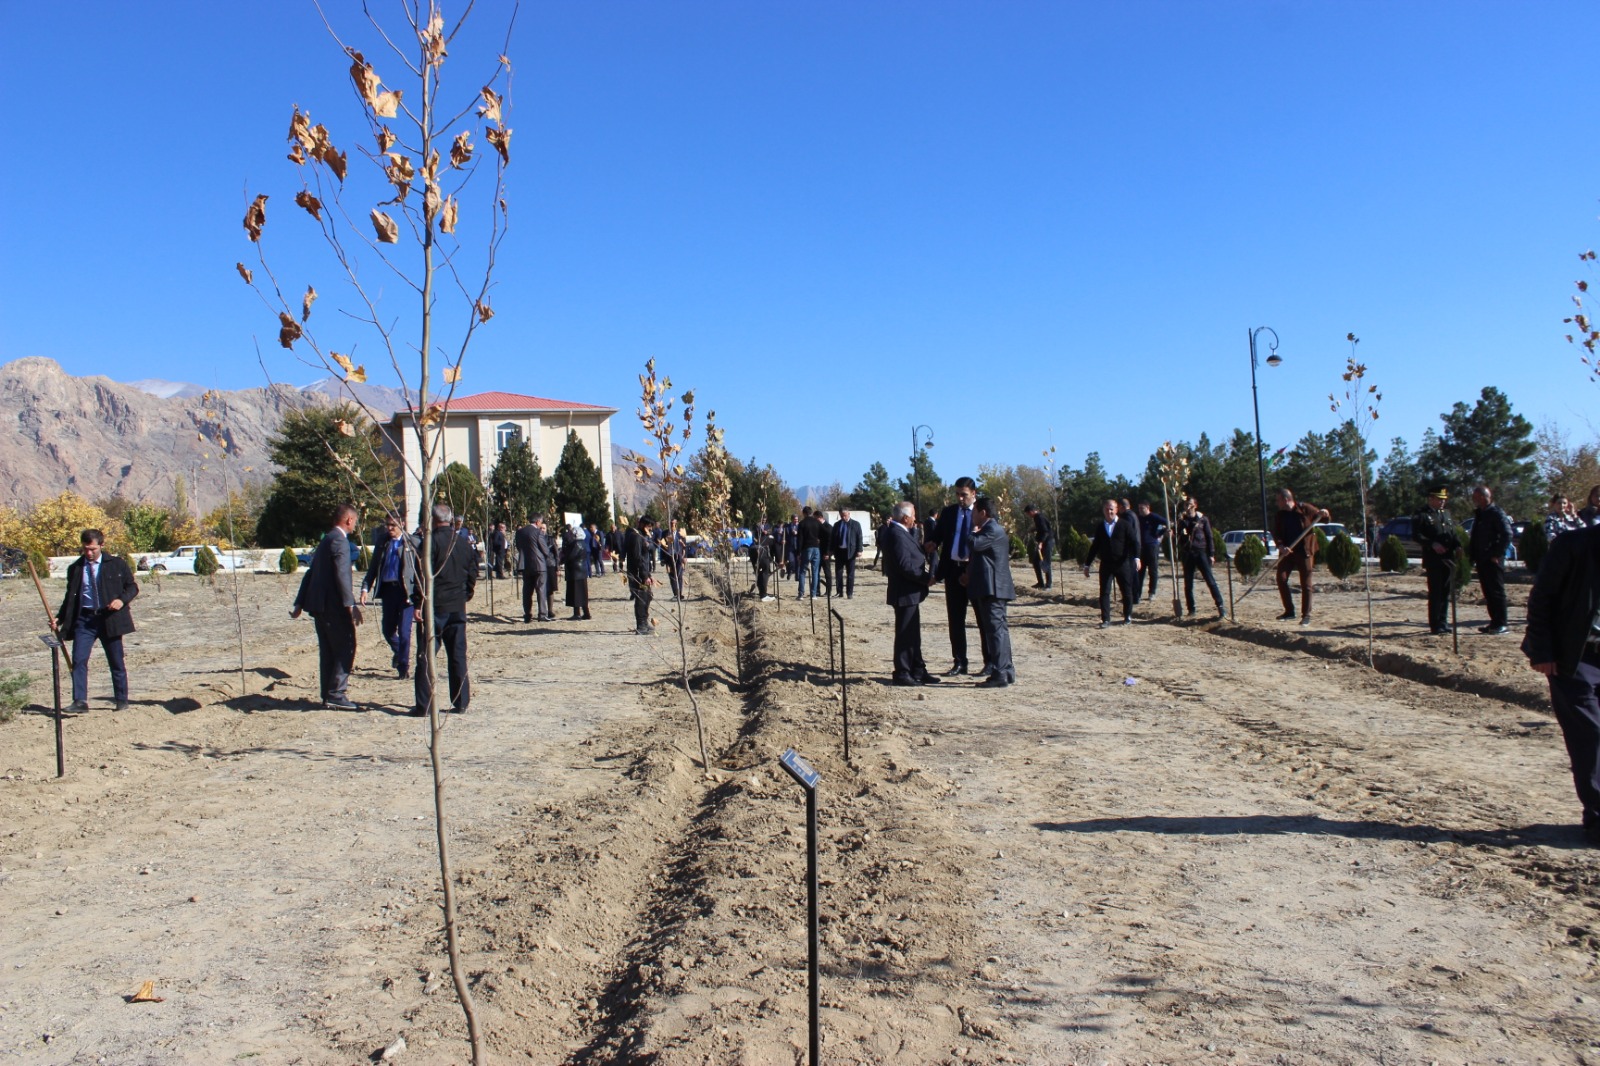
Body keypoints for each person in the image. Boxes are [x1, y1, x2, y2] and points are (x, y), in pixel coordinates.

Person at [1521, 520, 1600, 845]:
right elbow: (1542, 599)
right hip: (1576, 656)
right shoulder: (1573, 545)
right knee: (1590, 733)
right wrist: (1543, 650)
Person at [56, 528, 139, 711]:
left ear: (101, 545)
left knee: (116, 660)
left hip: (109, 619)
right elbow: (70, 598)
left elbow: (132, 587)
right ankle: (80, 701)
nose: (89, 553)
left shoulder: (117, 564)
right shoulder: (76, 569)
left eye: (92, 549)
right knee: (79, 659)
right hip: (85, 620)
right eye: (85, 549)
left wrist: (121, 601)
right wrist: (59, 618)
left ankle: (121, 699)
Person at [291, 503, 364, 710]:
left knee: (328, 651)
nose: (354, 526)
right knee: (345, 647)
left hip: (319, 607)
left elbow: (310, 573)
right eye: (355, 522)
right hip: (334, 607)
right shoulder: (339, 541)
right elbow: (342, 575)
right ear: (349, 520)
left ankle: (327, 694)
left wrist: (299, 602)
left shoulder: (326, 540)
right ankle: (336, 693)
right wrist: (350, 604)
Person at [415, 504, 477, 715]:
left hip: (436, 606)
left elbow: (421, 576)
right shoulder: (463, 542)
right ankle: (461, 701)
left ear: (432, 520)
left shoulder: (429, 544)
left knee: (426, 656)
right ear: (450, 520)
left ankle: (423, 704)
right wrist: (466, 593)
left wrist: (418, 602)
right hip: (457, 606)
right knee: (458, 654)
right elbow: (472, 571)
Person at [931, 476, 985, 675]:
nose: (960, 499)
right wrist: (931, 544)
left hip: (976, 573)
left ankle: (989, 662)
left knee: (982, 619)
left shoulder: (982, 514)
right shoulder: (949, 512)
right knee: (955, 620)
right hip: (953, 571)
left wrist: (971, 570)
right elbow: (938, 537)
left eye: (964, 495)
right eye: (957, 494)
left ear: (974, 494)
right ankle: (960, 661)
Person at [882, 501, 938, 686]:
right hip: (904, 591)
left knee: (913, 634)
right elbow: (904, 565)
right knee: (905, 634)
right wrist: (925, 578)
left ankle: (918, 669)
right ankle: (903, 672)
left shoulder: (902, 532)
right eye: (913, 515)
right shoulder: (896, 534)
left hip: (910, 592)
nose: (915, 518)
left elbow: (910, 554)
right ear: (906, 517)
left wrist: (923, 549)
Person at [360, 513, 421, 679]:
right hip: (388, 591)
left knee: (405, 631)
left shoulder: (412, 542)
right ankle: (399, 652)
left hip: (406, 593)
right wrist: (365, 588)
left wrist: (420, 597)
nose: (390, 528)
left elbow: (419, 571)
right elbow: (373, 567)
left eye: (393, 525)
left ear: (401, 524)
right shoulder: (383, 542)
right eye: (387, 525)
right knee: (387, 629)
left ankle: (403, 667)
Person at [965, 496, 1016, 687]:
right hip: (992, 588)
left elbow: (973, 544)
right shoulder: (992, 529)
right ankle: (1007, 670)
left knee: (995, 632)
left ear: (983, 512)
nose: (972, 516)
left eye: (974, 512)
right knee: (998, 631)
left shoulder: (991, 529)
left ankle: (1000, 673)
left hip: (992, 589)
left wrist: (971, 531)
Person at [1273, 488, 1330, 626]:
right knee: (1281, 578)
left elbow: (1324, 518)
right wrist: (1280, 546)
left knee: (1306, 584)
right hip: (1287, 552)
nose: (1277, 503)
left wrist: (1325, 513)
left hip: (1304, 552)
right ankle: (1289, 611)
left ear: (1286, 499)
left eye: (1278, 500)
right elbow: (1276, 533)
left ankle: (1306, 615)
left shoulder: (1304, 508)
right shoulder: (1280, 515)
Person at [1083, 498, 1140, 627]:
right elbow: (1095, 546)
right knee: (1104, 592)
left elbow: (1134, 543)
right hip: (1106, 564)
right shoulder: (1100, 527)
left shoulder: (1125, 525)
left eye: (1112, 509)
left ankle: (1127, 616)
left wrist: (1137, 558)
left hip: (1122, 563)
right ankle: (1106, 619)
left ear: (1116, 510)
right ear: (1103, 510)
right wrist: (1087, 564)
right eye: (1107, 509)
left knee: (1126, 591)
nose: (1109, 511)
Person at [1414, 486, 1460, 636]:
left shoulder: (1445, 514)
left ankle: (1443, 621)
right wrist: (1431, 544)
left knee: (1446, 592)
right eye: (1439, 499)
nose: (1442, 502)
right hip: (1433, 559)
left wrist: (1458, 545)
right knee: (1436, 593)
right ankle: (1435, 624)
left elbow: (1452, 533)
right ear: (1431, 499)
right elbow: (1417, 535)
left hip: (1448, 558)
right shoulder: (1422, 514)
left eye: (1444, 500)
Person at [1469, 485, 1514, 635]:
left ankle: (1502, 623)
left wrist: (1497, 553)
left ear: (1483, 497)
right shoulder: (1481, 514)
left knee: (1496, 592)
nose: (1473, 500)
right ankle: (1494, 622)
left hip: (1493, 559)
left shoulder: (1496, 513)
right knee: (1488, 592)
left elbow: (1507, 534)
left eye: (1475, 497)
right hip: (1482, 558)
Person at [1177, 497, 1226, 619]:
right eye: (1186, 505)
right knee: (1188, 583)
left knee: (1210, 580)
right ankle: (1191, 609)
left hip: (1201, 552)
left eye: (1190, 504)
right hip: (1188, 553)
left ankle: (1220, 606)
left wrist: (1211, 554)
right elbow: (1177, 536)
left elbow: (1209, 537)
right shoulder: (1182, 520)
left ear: (1195, 506)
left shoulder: (1202, 519)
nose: (1188, 507)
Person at [622, 515, 657, 634]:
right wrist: (644, 576)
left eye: (651, 527)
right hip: (637, 574)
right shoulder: (636, 537)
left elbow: (649, 552)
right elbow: (638, 558)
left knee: (647, 597)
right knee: (642, 598)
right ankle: (641, 625)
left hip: (644, 571)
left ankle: (644, 622)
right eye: (648, 526)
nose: (650, 529)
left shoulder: (643, 536)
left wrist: (648, 574)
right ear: (642, 525)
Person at [516, 517, 555, 622]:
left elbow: (518, 546)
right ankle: (542, 614)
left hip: (525, 565)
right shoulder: (538, 532)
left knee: (527, 591)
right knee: (541, 590)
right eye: (541, 522)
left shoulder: (520, 532)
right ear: (538, 521)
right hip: (539, 565)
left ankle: (527, 614)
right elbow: (545, 550)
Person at [1136, 502, 1167, 601]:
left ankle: (1152, 592)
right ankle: (1138, 593)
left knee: (1152, 571)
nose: (1140, 510)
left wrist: (1160, 533)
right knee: (1140, 571)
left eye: (1142, 508)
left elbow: (1167, 523)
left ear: (1148, 507)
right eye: (1139, 508)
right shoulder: (1139, 518)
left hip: (1152, 546)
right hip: (1141, 547)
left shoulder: (1153, 517)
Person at [831, 507, 864, 598]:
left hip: (851, 552)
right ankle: (839, 592)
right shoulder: (837, 525)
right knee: (838, 573)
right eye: (841, 516)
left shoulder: (855, 524)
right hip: (839, 552)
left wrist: (859, 550)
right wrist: (831, 550)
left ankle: (849, 593)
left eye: (844, 515)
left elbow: (859, 538)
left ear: (849, 514)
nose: (843, 517)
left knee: (850, 574)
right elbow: (833, 539)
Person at [561, 524, 591, 620]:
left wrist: (564, 556)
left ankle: (577, 614)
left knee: (576, 593)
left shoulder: (576, 544)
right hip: (581, 571)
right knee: (582, 593)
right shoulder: (582, 543)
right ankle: (586, 613)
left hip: (576, 571)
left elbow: (570, 556)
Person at [1025, 504, 1055, 589]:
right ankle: (1040, 583)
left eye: (1028, 514)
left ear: (1031, 511)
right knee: (1036, 562)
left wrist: (1041, 543)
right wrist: (1033, 530)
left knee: (1046, 563)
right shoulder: (1036, 518)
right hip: (1043, 541)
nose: (1028, 516)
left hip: (1048, 541)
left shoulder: (1039, 517)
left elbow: (1045, 531)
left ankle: (1048, 585)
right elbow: (1041, 529)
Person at [751, 522, 775, 601]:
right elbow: (774, 549)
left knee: (758, 573)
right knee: (765, 571)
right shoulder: (769, 539)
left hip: (753, 550)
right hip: (761, 552)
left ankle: (762, 593)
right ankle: (763, 595)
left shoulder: (756, 533)